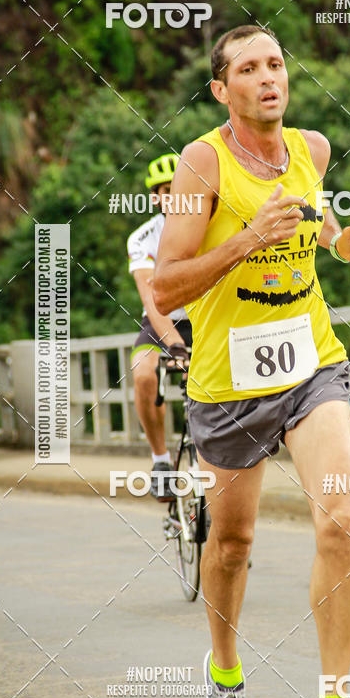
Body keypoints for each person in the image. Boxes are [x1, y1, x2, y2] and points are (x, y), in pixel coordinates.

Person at [153, 26, 350, 698]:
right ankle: (224, 677)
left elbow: (314, 223)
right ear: (222, 90)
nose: (267, 77)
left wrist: (342, 244)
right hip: (228, 382)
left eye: (275, 63)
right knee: (232, 545)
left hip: (312, 364)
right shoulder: (202, 163)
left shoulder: (311, 149)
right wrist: (247, 239)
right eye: (248, 68)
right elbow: (167, 286)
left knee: (341, 521)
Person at [127, 153, 192, 502]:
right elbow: (151, 296)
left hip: (205, 318)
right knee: (143, 374)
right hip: (160, 320)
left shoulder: (210, 224)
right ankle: (161, 461)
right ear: (155, 198)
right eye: (167, 191)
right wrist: (175, 343)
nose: (174, 196)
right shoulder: (142, 237)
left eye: (179, 188)